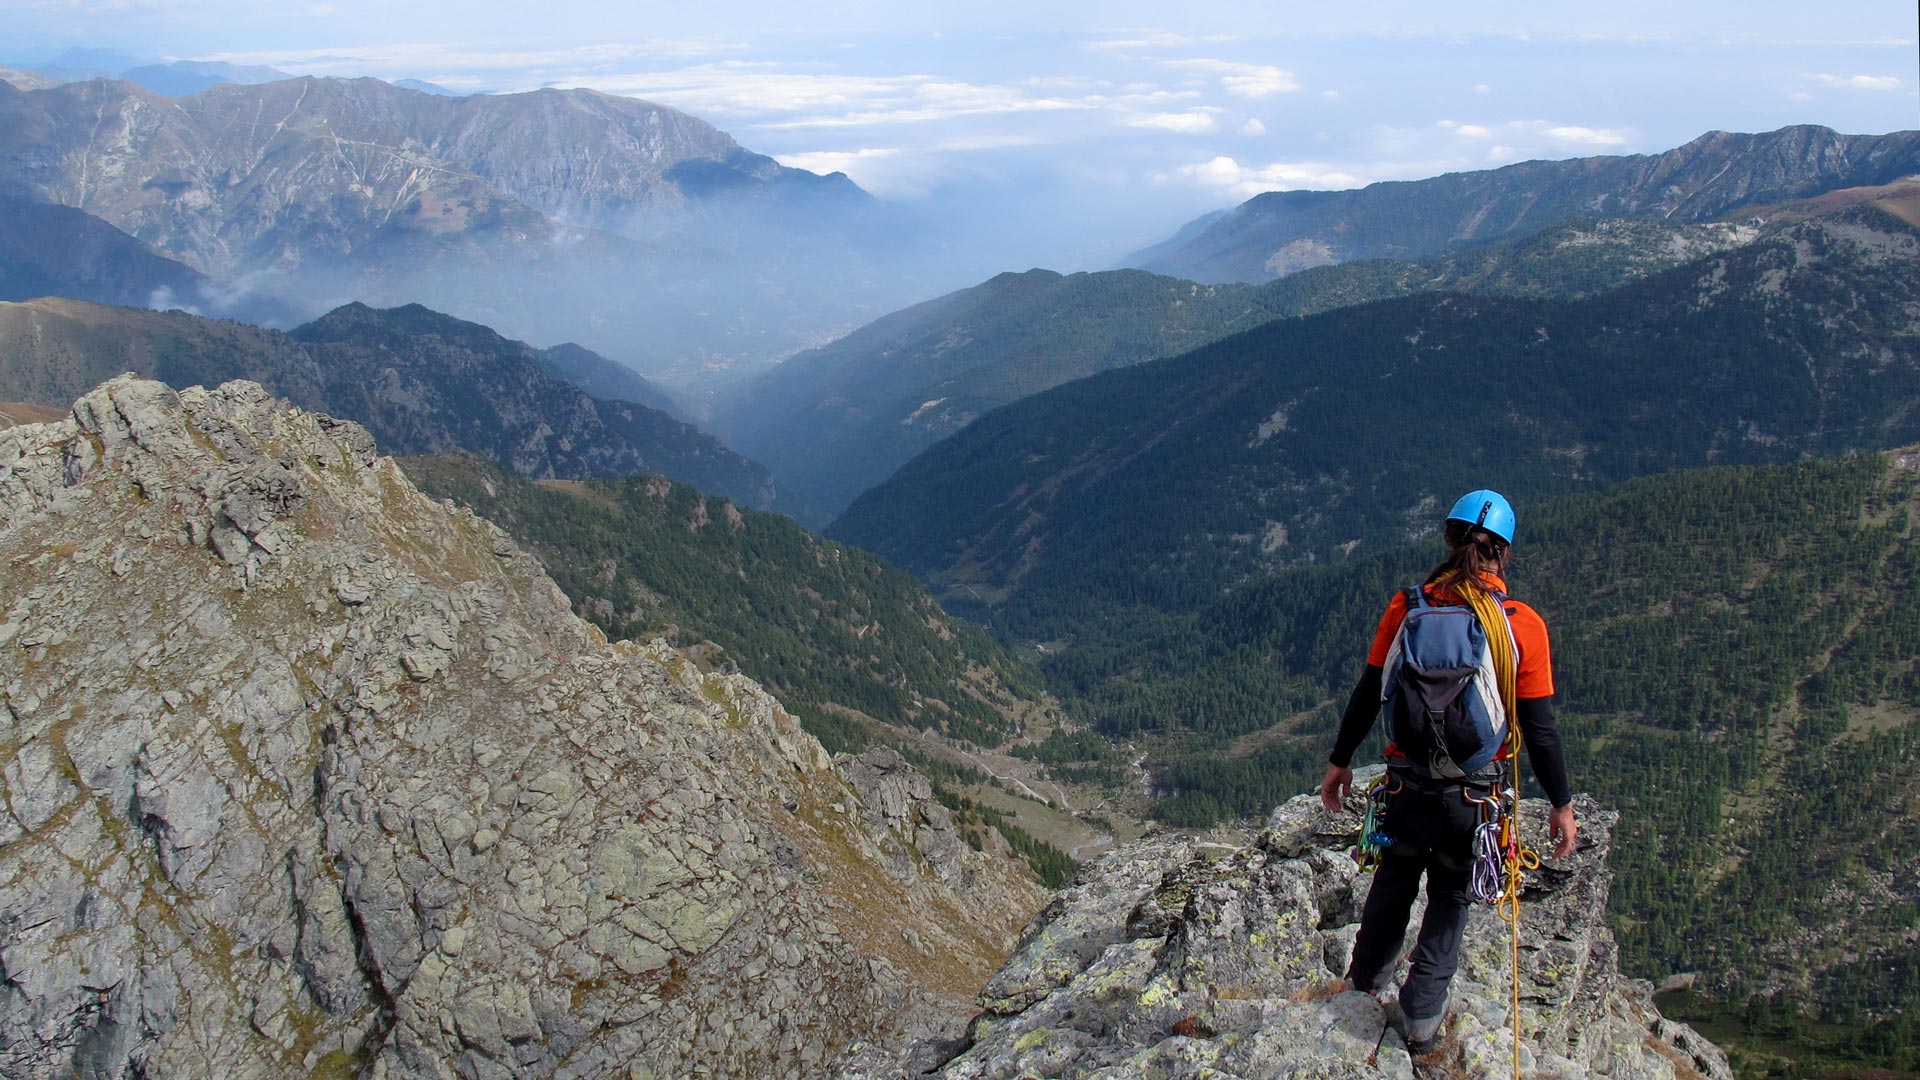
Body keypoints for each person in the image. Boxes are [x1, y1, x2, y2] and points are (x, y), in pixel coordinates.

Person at [1318, 489, 1577, 1053]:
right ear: (1503, 555)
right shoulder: (1521, 626)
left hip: (1406, 787)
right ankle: (1421, 1017)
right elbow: (1540, 728)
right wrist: (1560, 804)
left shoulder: (1407, 608)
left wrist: (1340, 763)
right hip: (1474, 799)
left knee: (1394, 881)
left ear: (1448, 539)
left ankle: (1362, 988)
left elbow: (1369, 693)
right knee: (1451, 896)